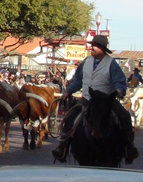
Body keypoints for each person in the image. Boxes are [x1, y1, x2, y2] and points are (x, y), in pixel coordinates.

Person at [52, 35, 138, 163]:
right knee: (70, 116)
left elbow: (119, 81)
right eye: (92, 45)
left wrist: (119, 90)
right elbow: (77, 81)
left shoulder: (111, 64)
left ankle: (128, 146)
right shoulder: (85, 62)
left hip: (106, 99)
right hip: (88, 98)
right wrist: (68, 92)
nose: (92, 47)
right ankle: (63, 145)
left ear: (102, 48)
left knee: (124, 116)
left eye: (95, 45)